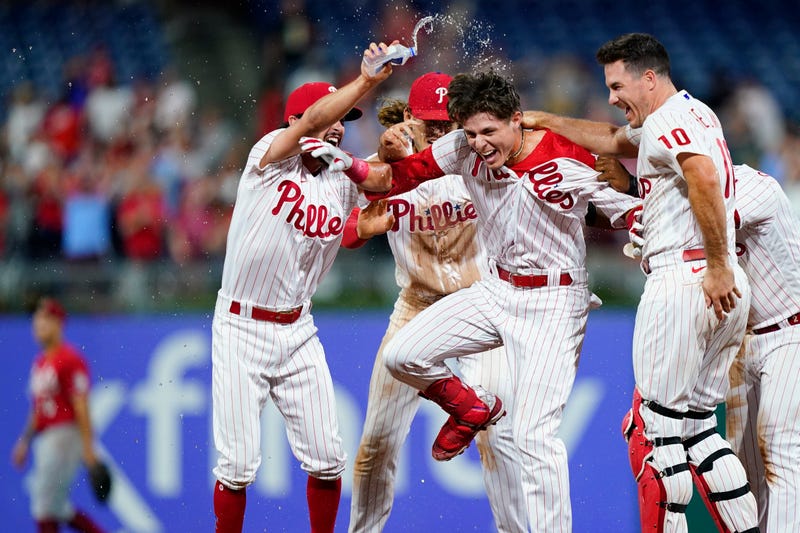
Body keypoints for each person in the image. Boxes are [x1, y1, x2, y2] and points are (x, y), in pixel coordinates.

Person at [304, 69, 640, 531]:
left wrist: (628, 189)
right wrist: (354, 177)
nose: (464, 138)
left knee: (517, 441)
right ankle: (467, 405)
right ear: (408, 120)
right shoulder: (436, 154)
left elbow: (607, 198)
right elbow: (364, 205)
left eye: (458, 124)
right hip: (437, 299)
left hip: (521, 296)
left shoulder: (514, 153)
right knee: (383, 420)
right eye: (441, 125)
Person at [523, 33, 759, 532]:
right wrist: (543, 120)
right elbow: (611, 140)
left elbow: (702, 178)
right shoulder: (691, 114)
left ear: (648, 78)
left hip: (687, 278)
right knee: (699, 432)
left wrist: (715, 264)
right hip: (720, 282)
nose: (611, 97)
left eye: (616, 85)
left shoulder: (668, 121)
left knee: (654, 432)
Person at [209, 41, 400, 533]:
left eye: (346, 119)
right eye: (333, 117)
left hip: (298, 329)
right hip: (241, 326)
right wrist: (367, 80)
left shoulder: (338, 177)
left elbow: (351, 225)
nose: (340, 126)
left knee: (327, 459)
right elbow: (311, 120)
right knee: (236, 467)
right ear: (299, 121)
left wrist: (370, 221)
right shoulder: (266, 159)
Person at [344, 72, 527, 533]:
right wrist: (366, 221)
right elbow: (342, 232)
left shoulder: (483, 161)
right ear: (408, 119)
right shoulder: (381, 169)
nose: (441, 133)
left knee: (499, 439)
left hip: (480, 307)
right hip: (417, 305)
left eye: (450, 123)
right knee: (375, 445)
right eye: (431, 124)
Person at [725, 164, 800, 533]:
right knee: (743, 465)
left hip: (789, 332)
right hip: (741, 343)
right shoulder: (686, 193)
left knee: (778, 443)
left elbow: (712, 219)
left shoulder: (754, 186)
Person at [11, 297, 106, 533]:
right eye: (36, 319)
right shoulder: (41, 362)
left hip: (64, 434)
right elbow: (38, 408)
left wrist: (88, 449)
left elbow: (81, 406)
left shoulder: (69, 359)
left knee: (44, 505)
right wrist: (25, 441)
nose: (38, 323)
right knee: (57, 506)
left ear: (58, 323)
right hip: (46, 437)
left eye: (45, 318)